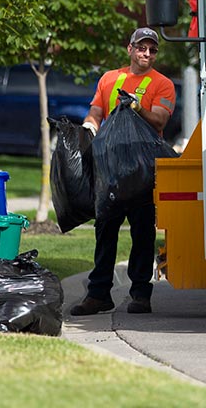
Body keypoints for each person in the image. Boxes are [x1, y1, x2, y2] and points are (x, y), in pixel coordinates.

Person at [70, 27, 176, 316]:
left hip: (142, 167)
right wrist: (89, 127)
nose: (147, 54)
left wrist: (138, 107)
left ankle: (141, 295)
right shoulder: (109, 79)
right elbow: (96, 111)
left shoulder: (163, 84)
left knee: (142, 231)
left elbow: (159, 120)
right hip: (111, 166)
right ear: (130, 49)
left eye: (152, 49)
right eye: (142, 48)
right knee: (105, 229)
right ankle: (99, 294)